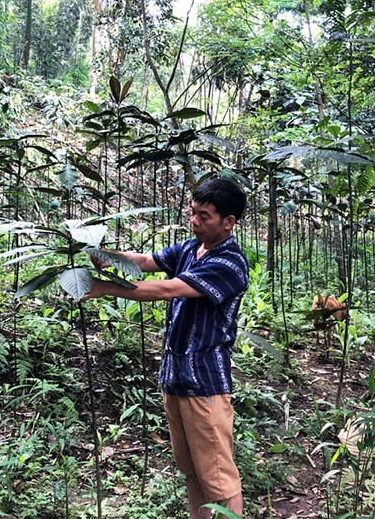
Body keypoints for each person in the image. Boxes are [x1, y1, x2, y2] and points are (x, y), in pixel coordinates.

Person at [81, 178, 249, 518]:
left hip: (204, 383)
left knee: (220, 479)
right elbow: (144, 260)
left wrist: (104, 288)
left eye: (204, 216)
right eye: (192, 213)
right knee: (194, 471)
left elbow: (167, 289)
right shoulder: (190, 249)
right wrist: (104, 256)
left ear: (228, 222)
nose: (195, 221)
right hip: (175, 379)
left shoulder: (229, 264)